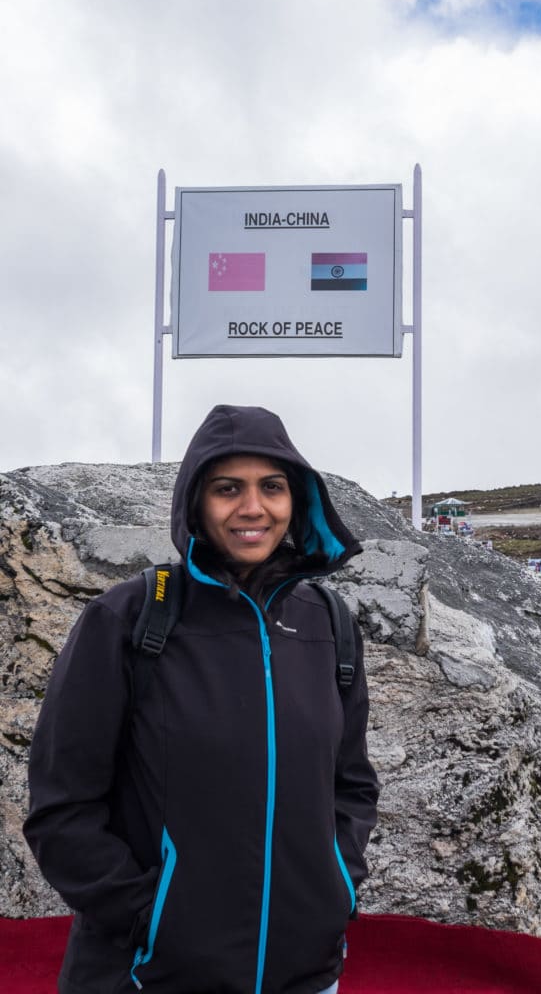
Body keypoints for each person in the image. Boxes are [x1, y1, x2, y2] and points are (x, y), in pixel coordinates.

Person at [24, 404, 379, 994]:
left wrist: (334, 886)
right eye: (226, 489)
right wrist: (149, 917)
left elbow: (352, 784)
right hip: (149, 975)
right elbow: (61, 807)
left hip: (305, 975)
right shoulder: (130, 618)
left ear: (297, 502)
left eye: (272, 487)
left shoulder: (329, 622)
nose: (252, 508)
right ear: (194, 502)